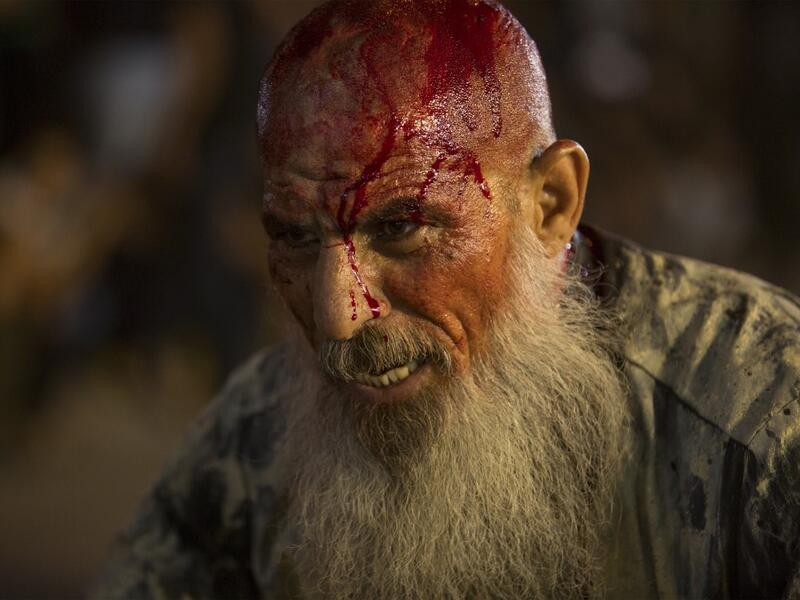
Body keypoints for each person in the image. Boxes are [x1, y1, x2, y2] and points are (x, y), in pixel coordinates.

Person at [93, 0, 800, 598]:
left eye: (400, 227)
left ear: (551, 204)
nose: (338, 316)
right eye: (298, 239)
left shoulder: (762, 417)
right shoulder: (254, 431)